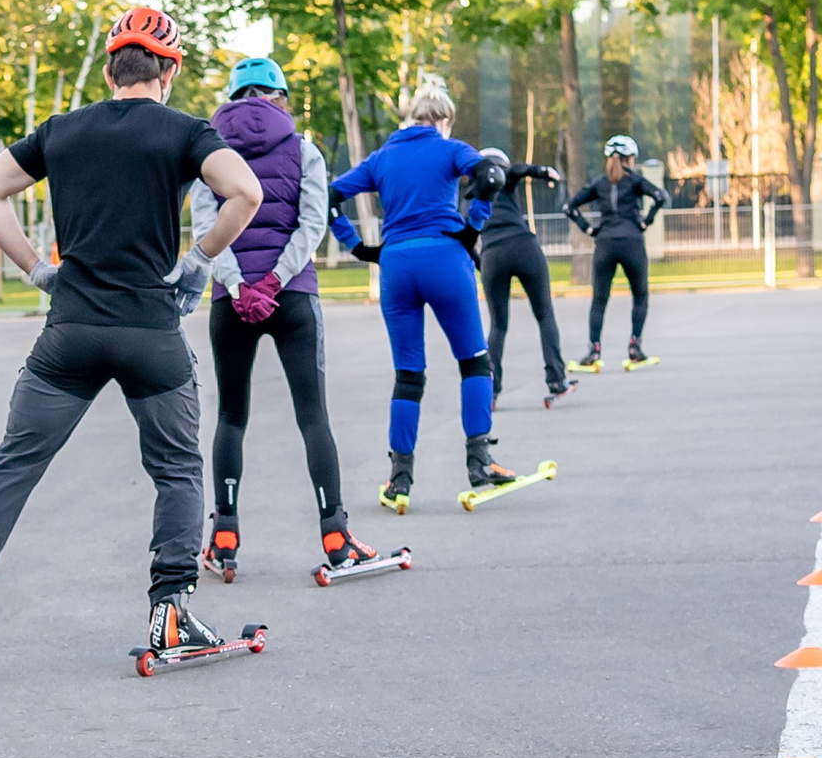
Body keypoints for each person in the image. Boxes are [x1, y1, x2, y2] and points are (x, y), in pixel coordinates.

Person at [0, 5, 263, 678]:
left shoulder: (61, 130)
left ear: (111, 68)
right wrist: (198, 260)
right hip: (150, 332)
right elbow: (245, 191)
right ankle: (172, 610)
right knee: (177, 469)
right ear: (169, 70)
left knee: (13, 468)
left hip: (69, 333)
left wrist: (38, 269)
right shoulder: (185, 132)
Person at [186, 57, 376, 580]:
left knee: (230, 417)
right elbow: (312, 222)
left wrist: (238, 284)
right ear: (280, 96)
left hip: (232, 302)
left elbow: (207, 229)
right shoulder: (303, 149)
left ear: (232, 95)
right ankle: (336, 536)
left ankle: (223, 536)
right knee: (313, 415)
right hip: (292, 297)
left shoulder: (209, 153)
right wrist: (275, 281)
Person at [327, 76, 517, 511]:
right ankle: (479, 461)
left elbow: (329, 196)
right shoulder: (451, 149)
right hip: (445, 260)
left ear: (411, 117)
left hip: (397, 265)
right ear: (444, 119)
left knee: (409, 373)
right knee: (474, 360)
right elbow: (491, 174)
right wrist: (474, 225)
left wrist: (357, 247)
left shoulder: (381, 158)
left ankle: (400, 478)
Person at [473, 147, 572, 407]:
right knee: (544, 314)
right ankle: (556, 379)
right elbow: (518, 169)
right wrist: (542, 171)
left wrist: (479, 263)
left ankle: (491, 391)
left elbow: (465, 236)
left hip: (492, 254)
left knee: (498, 325)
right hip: (523, 247)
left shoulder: (471, 194)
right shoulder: (506, 180)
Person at [564, 134, 665, 371]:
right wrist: (645, 221)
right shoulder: (635, 180)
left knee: (599, 300)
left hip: (605, 243)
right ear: (629, 158)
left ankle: (593, 352)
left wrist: (589, 229)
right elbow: (661, 196)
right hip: (632, 241)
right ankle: (634, 348)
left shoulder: (598, 182)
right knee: (640, 295)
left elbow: (569, 206)